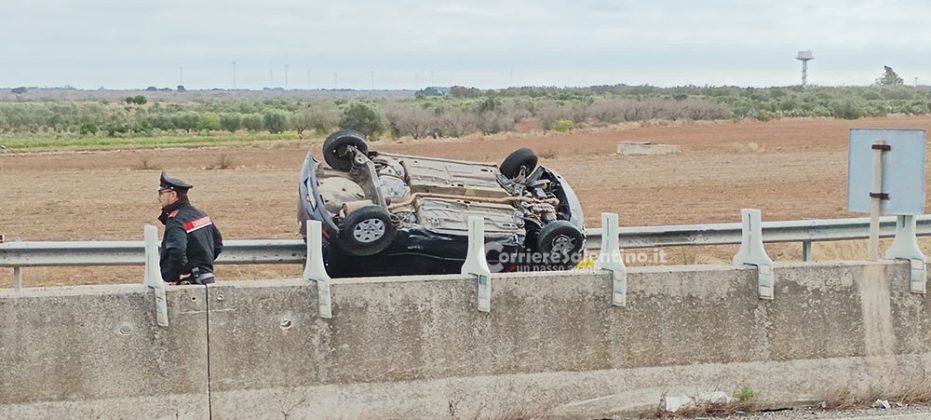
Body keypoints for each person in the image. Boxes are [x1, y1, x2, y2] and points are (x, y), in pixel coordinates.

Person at [157, 171, 223, 284]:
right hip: (207, 278)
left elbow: (177, 250)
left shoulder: (176, 220)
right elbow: (217, 244)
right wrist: (204, 264)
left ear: (173, 195)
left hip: (189, 282)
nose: (159, 198)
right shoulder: (200, 214)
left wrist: (176, 275)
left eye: (161, 193)